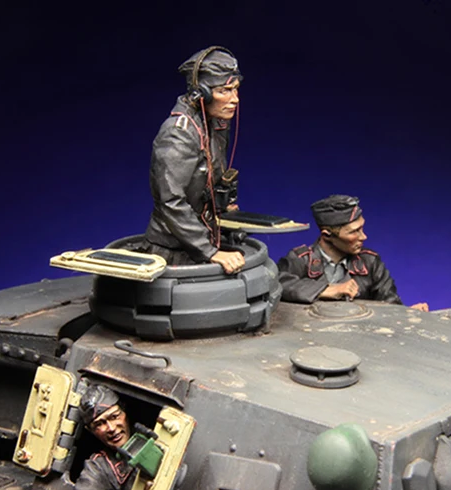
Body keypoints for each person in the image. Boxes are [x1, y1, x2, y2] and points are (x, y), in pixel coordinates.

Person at [139, 46, 245, 275]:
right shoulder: (178, 134)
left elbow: (209, 179)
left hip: (203, 240)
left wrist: (222, 206)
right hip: (173, 253)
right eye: (225, 91)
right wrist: (210, 251)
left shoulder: (215, 125)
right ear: (202, 94)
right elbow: (171, 201)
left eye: (236, 89)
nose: (234, 99)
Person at [277, 195, 429, 310]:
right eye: (354, 232)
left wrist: (408, 314)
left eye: (361, 228)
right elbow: (277, 284)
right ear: (327, 235)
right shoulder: (300, 260)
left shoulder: (369, 263)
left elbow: (390, 305)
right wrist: (325, 289)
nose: (363, 237)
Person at [68, 384, 137, 490]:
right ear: (91, 431)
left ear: (125, 413)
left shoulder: (157, 440)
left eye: (114, 416)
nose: (111, 428)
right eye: (100, 424)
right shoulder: (100, 466)